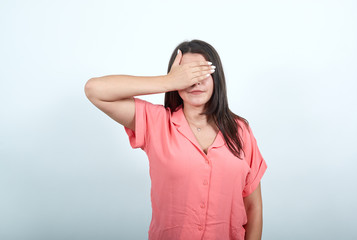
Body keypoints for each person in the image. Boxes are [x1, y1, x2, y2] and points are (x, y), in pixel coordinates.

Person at [84, 39, 268, 240]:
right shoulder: (157, 123)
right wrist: (169, 81)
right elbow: (94, 90)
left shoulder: (241, 130)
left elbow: (253, 206)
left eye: (201, 73)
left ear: (217, 77)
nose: (195, 82)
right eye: (187, 75)